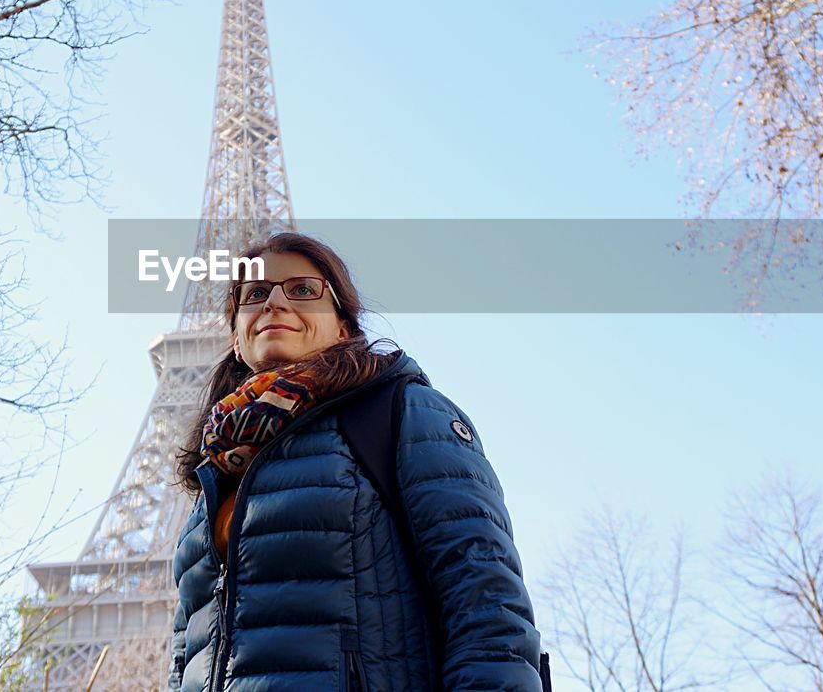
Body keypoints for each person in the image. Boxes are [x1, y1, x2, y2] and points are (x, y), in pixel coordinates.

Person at [167, 232, 542, 691]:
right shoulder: (220, 464)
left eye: (302, 290)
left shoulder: (400, 412)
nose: (274, 303)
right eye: (255, 294)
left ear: (343, 326)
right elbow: (187, 653)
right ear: (237, 337)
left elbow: (487, 605)